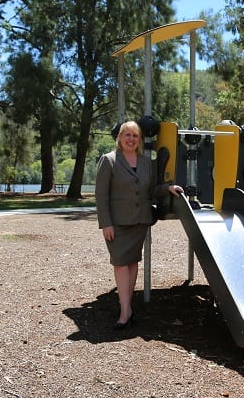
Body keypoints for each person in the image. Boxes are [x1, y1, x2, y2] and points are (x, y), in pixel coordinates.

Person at [95, 120, 183, 330]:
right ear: (120, 138)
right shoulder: (108, 161)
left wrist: (167, 188)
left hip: (140, 221)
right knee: (120, 263)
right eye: (127, 135)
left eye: (135, 136)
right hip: (117, 223)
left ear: (139, 140)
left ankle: (127, 308)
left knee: (132, 262)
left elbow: (150, 191)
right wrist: (105, 223)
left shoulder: (145, 162)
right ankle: (125, 310)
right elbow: (100, 196)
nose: (131, 139)